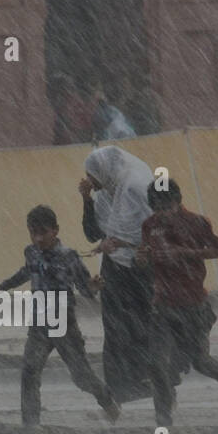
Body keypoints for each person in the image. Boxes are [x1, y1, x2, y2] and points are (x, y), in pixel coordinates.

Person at [137, 178, 218, 427]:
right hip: (163, 306)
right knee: (156, 363)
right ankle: (163, 421)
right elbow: (143, 261)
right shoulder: (149, 226)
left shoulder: (197, 223)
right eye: (157, 208)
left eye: (166, 207)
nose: (163, 214)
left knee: (201, 360)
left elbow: (216, 251)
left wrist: (186, 254)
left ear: (178, 202)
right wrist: (142, 257)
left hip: (194, 305)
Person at [0, 204, 121, 427]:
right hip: (39, 325)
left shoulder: (69, 257)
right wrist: (2, 287)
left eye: (43, 232)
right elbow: (26, 271)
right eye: (33, 233)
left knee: (81, 377)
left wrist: (93, 286)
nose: (38, 239)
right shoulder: (31, 252)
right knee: (29, 372)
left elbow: (85, 289)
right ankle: (31, 426)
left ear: (55, 230)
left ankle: (107, 398)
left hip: (64, 324)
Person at [79, 145, 156, 403]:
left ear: (106, 170)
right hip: (114, 268)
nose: (90, 179)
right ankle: (120, 385)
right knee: (114, 327)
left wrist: (122, 244)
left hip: (140, 267)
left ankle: (143, 380)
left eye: (93, 174)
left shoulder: (134, 187)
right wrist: (86, 199)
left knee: (139, 323)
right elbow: (94, 233)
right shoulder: (108, 192)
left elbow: (150, 230)